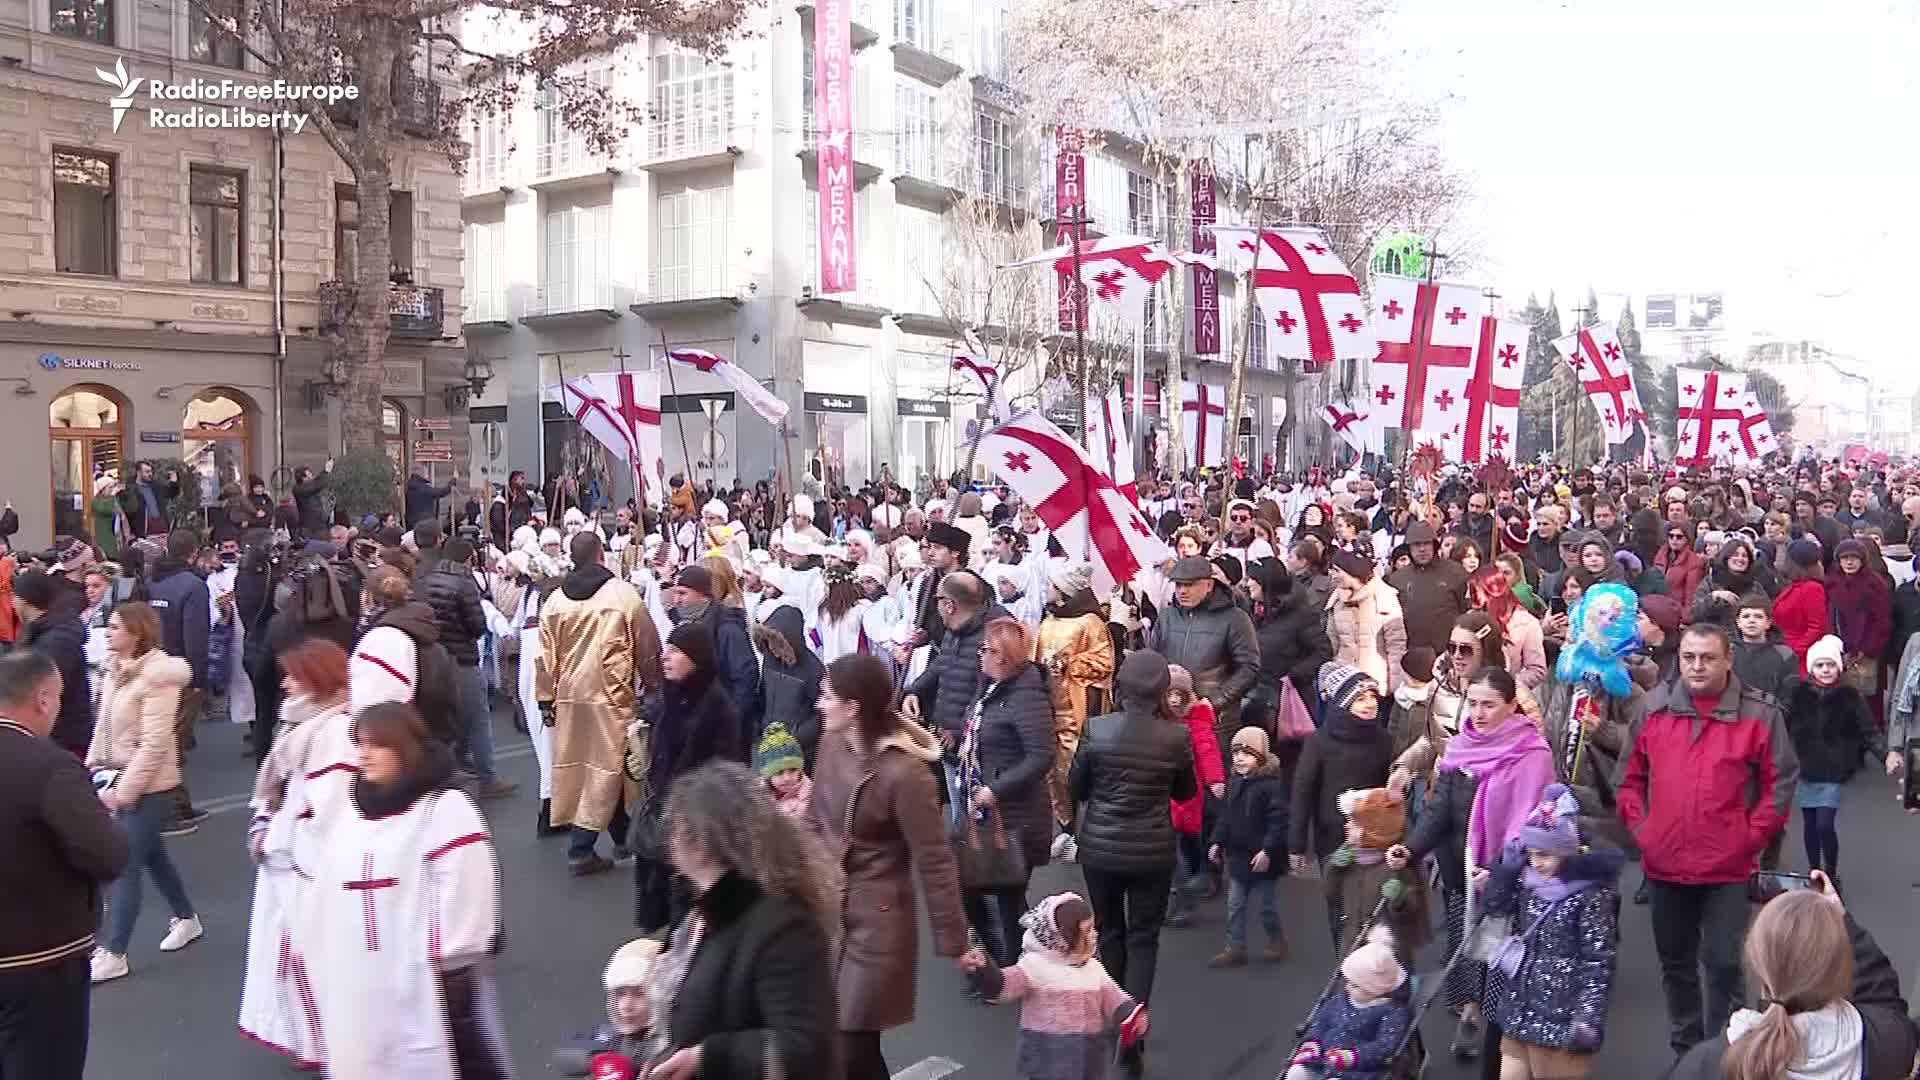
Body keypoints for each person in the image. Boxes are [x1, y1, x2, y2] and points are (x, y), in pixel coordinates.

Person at [299, 701, 509, 1079]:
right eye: (358, 743)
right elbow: (327, 887)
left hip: (428, 984)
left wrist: (447, 964)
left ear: (403, 747)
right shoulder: (354, 812)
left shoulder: (444, 807)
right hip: (362, 981)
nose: (362, 754)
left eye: (375, 744)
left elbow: (467, 887)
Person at [1617, 622, 1798, 1060]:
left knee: (1723, 965)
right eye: (1689, 658)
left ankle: (1723, 1053)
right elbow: (1629, 780)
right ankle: (1686, 1054)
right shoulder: (1655, 710)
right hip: (1665, 866)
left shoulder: (1760, 714)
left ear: (1727, 660)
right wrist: (1646, 833)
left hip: (1727, 868)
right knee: (1676, 967)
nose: (1697, 667)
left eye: (1708, 658)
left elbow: (1781, 784)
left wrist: (1748, 839)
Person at [810, 653, 971, 1080]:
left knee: (852, 1041)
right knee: (848, 1045)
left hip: (878, 921)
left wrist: (955, 940)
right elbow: (814, 819)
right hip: (829, 909)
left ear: (854, 706)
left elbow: (934, 859)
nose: (818, 704)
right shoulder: (830, 743)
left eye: (827, 696)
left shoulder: (906, 773)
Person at [632, 761, 836, 1080]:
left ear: (702, 841)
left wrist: (707, 1057)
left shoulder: (783, 926)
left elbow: (804, 1048)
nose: (669, 840)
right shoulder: (706, 910)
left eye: (677, 828)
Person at [1067, 651, 1198, 1075]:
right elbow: (1183, 792)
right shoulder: (1175, 737)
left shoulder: (1097, 728)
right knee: (1144, 938)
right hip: (1152, 850)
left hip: (1101, 849)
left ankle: (1112, 1011)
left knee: (1110, 933)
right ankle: (1133, 1025)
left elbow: (1077, 786)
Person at [0, 650, 128, 1078]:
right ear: (40, 699)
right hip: (39, 955)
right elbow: (107, 855)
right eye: (56, 698)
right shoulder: (49, 765)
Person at [1669, 880, 1918, 1080]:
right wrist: (1843, 922)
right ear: (1841, 966)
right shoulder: (1887, 1043)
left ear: (1757, 965)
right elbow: (1883, 999)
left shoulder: (1709, 1064)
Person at [236, 638, 349, 1067]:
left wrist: (283, 840)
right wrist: (264, 822)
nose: (284, 685)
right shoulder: (300, 726)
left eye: (293, 677)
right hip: (286, 856)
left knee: (308, 953)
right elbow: (277, 791)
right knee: (289, 952)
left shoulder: (334, 730)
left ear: (317, 681)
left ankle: (327, 1043)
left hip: (306, 862)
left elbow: (330, 805)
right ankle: (310, 1040)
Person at [85, 601, 201, 983]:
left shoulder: (158, 677)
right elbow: (103, 726)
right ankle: (186, 917)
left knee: (125, 863)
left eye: (116, 626)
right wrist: (93, 765)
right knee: (152, 858)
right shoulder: (114, 671)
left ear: (137, 633)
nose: (108, 631)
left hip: (149, 784)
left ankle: (115, 950)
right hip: (117, 777)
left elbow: (154, 744)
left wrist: (124, 791)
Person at [1479, 785, 1623, 1080]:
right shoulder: (1529, 882)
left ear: (1566, 849)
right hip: (1520, 1005)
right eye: (1531, 854)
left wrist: (1587, 1018)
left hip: (1562, 1017)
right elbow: (1495, 907)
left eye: (1544, 854)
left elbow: (1598, 962)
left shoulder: (1591, 895)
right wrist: (1505, 869)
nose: (1536, 863)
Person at [538, 531, 661, 876]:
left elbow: (544, 656)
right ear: (601, 554)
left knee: (593, 767)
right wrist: (652, 685)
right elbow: (646, 644)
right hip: (612, 696)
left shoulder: (555, 601)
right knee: (610, 768)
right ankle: (581, 847)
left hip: (569, 698)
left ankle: (623, 839)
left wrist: (545, 698)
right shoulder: (623, 595)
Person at [961, 892, 1148, 1080]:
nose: (1095, 935)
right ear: (1064, 938)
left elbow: (1114, 998)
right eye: (1087, 931)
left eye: (1093, 928)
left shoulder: (1094, 968)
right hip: (1045, 1060)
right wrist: (983, 969)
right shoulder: (1034, 966)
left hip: (1088, 1058)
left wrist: (1131, 1015)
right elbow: (1002, 987)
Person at [956, 618, 1054, 965]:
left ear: (1005, 656)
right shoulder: (992, 690)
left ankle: (1012, 964)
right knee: (989, 888)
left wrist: (996, 789)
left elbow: (1042, 756)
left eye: (987, 649)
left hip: (1017, 815)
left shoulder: (1026, 697)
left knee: (1007, 893)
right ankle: (1009, 957)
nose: (980, 655)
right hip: (989, 810)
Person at [631, 622, 744, 926]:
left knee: (691, 911)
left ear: (696, 658)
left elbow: (727, 774)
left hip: (695, 823)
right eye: (666, 650)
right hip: (665, 814)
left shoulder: (717, 709)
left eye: (675, 651)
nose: (665, 657)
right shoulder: (670, 697)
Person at [418, 538, 512, 798]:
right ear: (468, 558)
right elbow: (477, 625)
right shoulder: (464, 583)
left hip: (435, 657)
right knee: (478, 718)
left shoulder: (425, 579)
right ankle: (487, 778)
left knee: (447, 717)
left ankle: (452, 768)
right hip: (462, 657)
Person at [1150, 555, 1262, 770]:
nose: (1182, 590)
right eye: (1179, 584)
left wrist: (1213, 702)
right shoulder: (1166, 617)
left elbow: (1249, 668)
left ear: (1209, 585)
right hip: (1171, 719)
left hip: (1215, 723)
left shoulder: (1235, 618)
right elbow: (1154, 661)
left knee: (1213, 790)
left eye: (1190, 585)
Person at [1784, 636, 1878, 884]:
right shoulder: (1798, 694)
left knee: (1825, 824)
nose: (1825, 670)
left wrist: (1887, 754)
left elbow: (1869, 730)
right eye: (1819, 665)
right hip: (1805, 768)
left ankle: (1831, 872)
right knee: (1810, 825)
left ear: (1839, 667)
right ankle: (1815, 871)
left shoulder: (1849, 696)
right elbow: (1782, 725)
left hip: (1833, 770)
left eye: (1830, 665)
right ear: (1811, 668)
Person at [1034, 560, 1114, 840]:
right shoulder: (1048, 620)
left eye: (1052, 586)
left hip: (1076, 707)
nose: (1047, 589)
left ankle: (1088, 824)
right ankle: (1065, 824)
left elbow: (1104, 662)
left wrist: (1069, 663)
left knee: (1074, 767)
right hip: (1049, 705)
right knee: (1053, 769)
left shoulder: (1089, 623)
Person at [143, 529, 210, 833]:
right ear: (193, 552)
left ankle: (180, 804)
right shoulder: (194, 587)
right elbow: (196, 636)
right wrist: (198, 677)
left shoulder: (152, 581)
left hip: (153, 668)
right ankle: (167, 811)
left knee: (167, 738)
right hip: (180, 673)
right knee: (173, 743)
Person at [1285, 925, 1413, 1080]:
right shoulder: (1340, 1000)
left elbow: (1384, 1046)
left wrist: (1352, 1057)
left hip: (1357, 1070)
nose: (1346, 987)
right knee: (1295, 1073)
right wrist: (1312, 1044)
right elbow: (1321, 1023)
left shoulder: (1392, 1012)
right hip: (1321, 1060)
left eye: (1354, 985)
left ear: (1375, 989)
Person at [1208, 725, 1289, 966]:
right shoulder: (1234, 782)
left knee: (1267, 907)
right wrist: (1217, 842)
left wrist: (1268, 850)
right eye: (1236, 753)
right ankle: (1235, 947)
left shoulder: (1271, 786)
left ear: (1260, 756)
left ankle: (1276, 940)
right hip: (1238, 856)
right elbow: (1226, 816)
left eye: (1247, 753)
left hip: (1264, 859)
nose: (1240, 758)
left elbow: (1278, 822)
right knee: (1235, 906)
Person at [669, 563, 762, 747]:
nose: (676, 600)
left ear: (703, 594)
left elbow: (745, 677)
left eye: (682, 593)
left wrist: (730, 723)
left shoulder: (727, 628)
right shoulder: (685, 623)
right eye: (675, 593)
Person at [903, 570, 997, 750]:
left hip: (974, 746)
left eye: (937, 599)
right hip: (944, 737)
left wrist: (959, 730)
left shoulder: (993, 635)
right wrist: (914, 691)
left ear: (949, 605)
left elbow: (987, 693)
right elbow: (941, 663)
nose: (936, 607)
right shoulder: (955, 626)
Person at [550, 939, 661, 1074]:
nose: (626, 1006)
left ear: (661, 995)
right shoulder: (614, 1037)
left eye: (639, 994)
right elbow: (564, 1052)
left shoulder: (678, 1045)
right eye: (620, 994)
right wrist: (596, 1059)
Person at [14, 569, 92, 756]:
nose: (12, 602)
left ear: (25, 600)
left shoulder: (56, 641)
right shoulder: (38, 632)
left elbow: (43, 691)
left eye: (14, 596)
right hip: (49, 736)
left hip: (64, 737)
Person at [751, 605, 826, 768]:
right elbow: (763, 696)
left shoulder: (813, 669)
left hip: (799, 749)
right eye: (768, 641)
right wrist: (758, 724)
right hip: (769, 741)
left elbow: (820, 713)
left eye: (776, 642)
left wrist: (796, 738)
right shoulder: (769, 660)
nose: (771, 647)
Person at [1325, 546, 1408, 694]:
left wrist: (1396, 688)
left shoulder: (1384, 597)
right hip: (1344, 681)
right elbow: (1332, 643)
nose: (1333, 575)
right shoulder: (1336, 600)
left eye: (1338, 571)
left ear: (1353, 572)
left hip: (1375, 683)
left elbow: (1396, 647)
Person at [1388, 520, 1469, 657]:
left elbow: (1465, 610)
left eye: (1426, 543)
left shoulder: (1455, 572)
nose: (1422, 549)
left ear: (1434, 545)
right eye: (1417, 544)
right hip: (1412, 654)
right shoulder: (1397, 579)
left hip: (1449, 652)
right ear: (1409, 548)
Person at [1773, 539, 1830, 671]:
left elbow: (1817, 627)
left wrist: (1795, 651)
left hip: (1800, 657)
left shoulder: (1812, 588)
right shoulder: (1793, 586)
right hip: (1784, 650)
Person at [755, 722, 813, 820]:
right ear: (767, 775)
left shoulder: (810, 798)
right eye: (779, 772)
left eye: (793, 770)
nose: (787, 778)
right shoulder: (755, 794)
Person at [402, 465, 456, 532]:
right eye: (427, 473)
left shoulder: (413, 484)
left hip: (415, 521)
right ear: (421, 473)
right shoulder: (417, 486)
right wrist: (449, 486)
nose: (428, 476)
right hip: (421, 522)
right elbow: (437, 492)